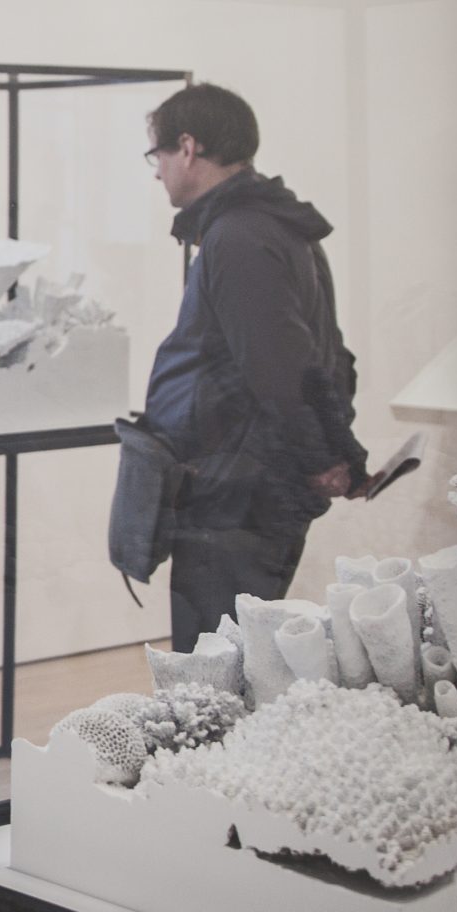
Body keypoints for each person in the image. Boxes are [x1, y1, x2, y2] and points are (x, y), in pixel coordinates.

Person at [142, 83, 368, 651]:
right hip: (248, 482)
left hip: (239, 491)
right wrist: (334, 452)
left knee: (215, 665)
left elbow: (280, 367)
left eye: (158, 155)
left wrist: (324, 459)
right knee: (240, 655)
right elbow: (321, 353)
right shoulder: (272, 222)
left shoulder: (238, 234)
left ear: (188, 147)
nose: (157, 172)